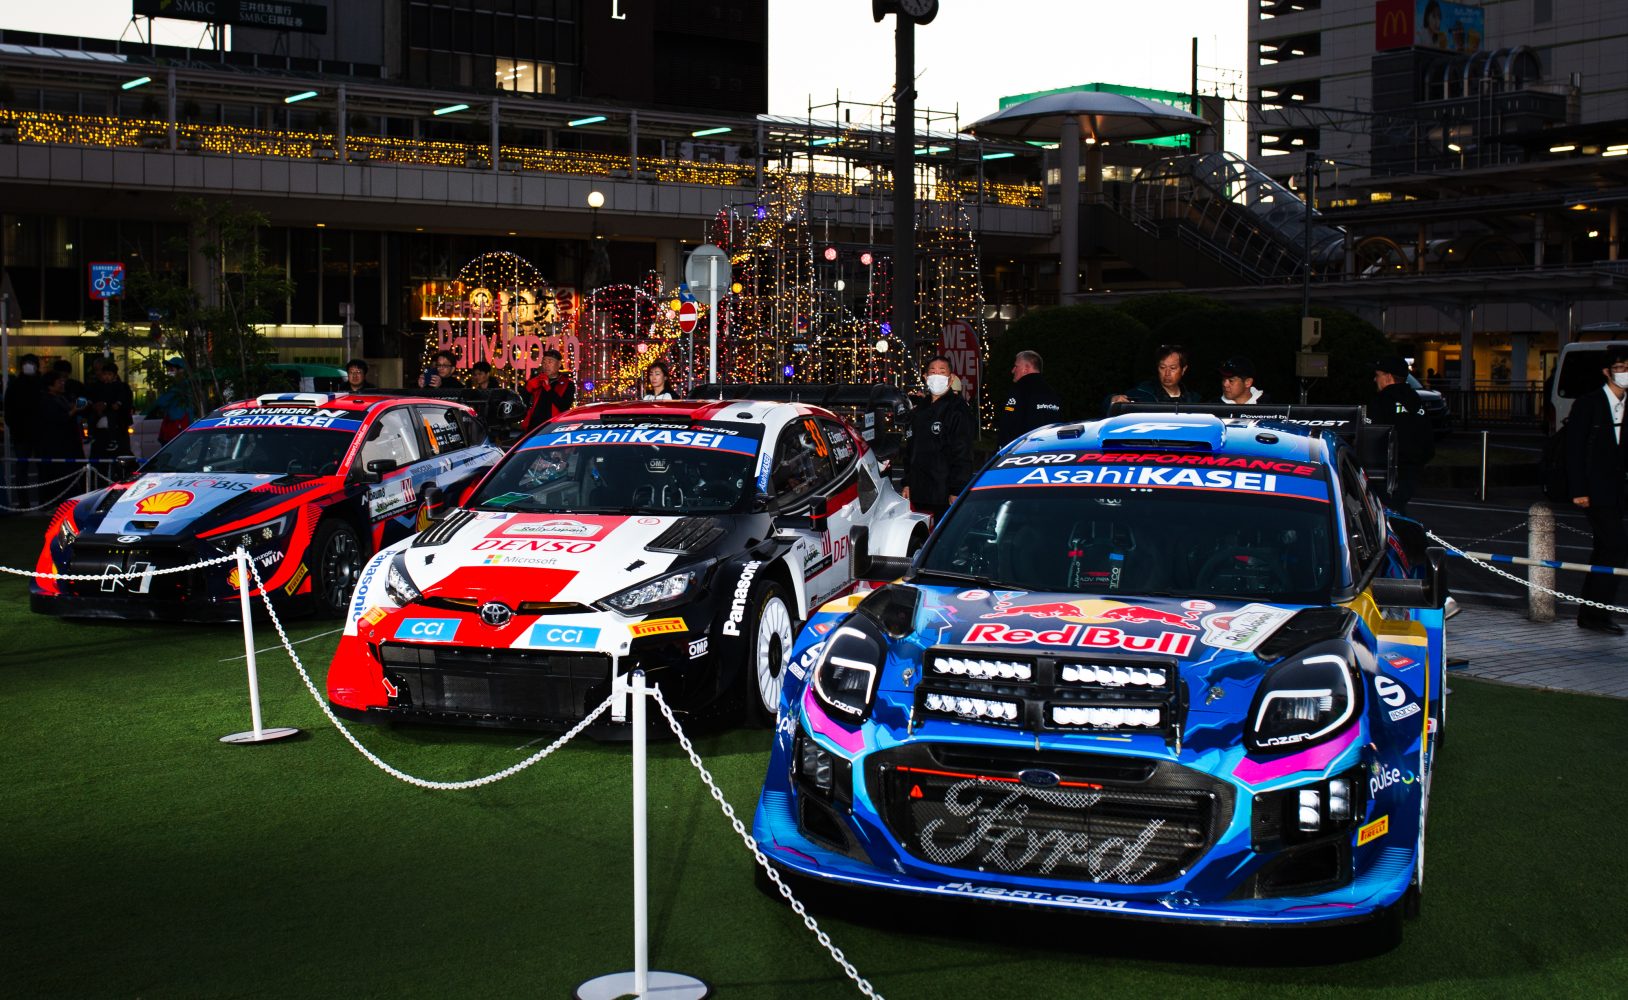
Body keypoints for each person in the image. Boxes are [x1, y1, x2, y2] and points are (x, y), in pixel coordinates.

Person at [1565, 349, 1628, 634]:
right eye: (1620, 367)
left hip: (1618, 488)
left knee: (1605, 549)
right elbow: (1574, 449)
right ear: (1607, 371)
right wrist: (1578, 489)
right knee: (1615, 546)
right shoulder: (1588, 403)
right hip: (1594, 488)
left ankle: (1592, 613)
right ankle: (1596, 614)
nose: (1624, 373)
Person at [904, 356, 975, 524]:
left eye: (942, 372)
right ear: (925, 377)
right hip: (919, 491)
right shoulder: (920, 410)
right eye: (933, 372)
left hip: (943, 493)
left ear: (950, 379)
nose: (937, 376)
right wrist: (907, 483)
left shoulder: (958, 410)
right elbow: (911, 449)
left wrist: (956, 489)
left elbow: (963, 452)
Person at [1367, 357, 1434, 516]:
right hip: (1411, 472)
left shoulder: (1381, 401)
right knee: (1398, 510)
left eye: (1378, 375)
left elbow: (1370, 437)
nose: (1375, 379)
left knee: (1385, 514)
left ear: (1388, 377)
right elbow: (1428, 440)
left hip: (1383, 473)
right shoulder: (1416, 400)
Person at [996, 349, 1064, 446]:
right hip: (1049, 448)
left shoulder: (1019, 389)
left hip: (1022, 450)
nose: (1013, 370)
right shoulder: (1052, 392)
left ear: (1026, 368)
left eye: (1016, 366)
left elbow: (1008, 424)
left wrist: (1002, 448)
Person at [1109, 344, 1204, 409]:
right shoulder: (1142, 394)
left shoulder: (1194, 399)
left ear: (1183, 370)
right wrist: (1113, 400)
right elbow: (1111, 405)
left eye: (1173, 368)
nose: (1167, 373)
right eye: (1162, 367)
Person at [4, 353, 44, 502]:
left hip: (36, 432)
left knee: (41, 467)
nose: (28, 366)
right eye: (26, 363)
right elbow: (9, 410)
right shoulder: (16, 385)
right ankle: (24, 502)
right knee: (23, 467)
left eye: (31, 363)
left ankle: (42, 500)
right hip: (22, 433)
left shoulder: (41, 384)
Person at [84, 361, 134, 461]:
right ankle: (91, 435)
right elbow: (92, 400)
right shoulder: (97, 387)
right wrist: (95, 406)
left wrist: (109, 405)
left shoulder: (122, 387)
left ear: (114, 375)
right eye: (104, 373)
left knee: (119, 456)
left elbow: (124, 403)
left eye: (109, 374)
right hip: (99, 432)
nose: (104, 376)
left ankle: (112, 440)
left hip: (118, 429)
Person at [34, 370, 86, 461]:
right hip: (57, 442)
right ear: (50, 386)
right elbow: (58, 418)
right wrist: (74, 410)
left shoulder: (60, 397)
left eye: (63, 381)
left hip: (69, 440)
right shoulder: (46, 400)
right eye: (59, 382)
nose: (63, 384)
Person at [523, 349, 576, 431]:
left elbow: (564, 406)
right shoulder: (537, 381)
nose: (546, 365)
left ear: (559, 364)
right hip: (534, 428)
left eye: (550, 362)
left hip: (554, 428)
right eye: (544, 362)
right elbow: (524, 404)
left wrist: (548, 389)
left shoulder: (567, 384)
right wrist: (527, 389)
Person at [155, 357, 196, 446]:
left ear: (181, 370)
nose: (169, 371)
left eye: (172, 369)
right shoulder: (179, 385)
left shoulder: (180, 386)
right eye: (168, 369)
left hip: (177, 428)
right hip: (177, 427)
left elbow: (161, 402)